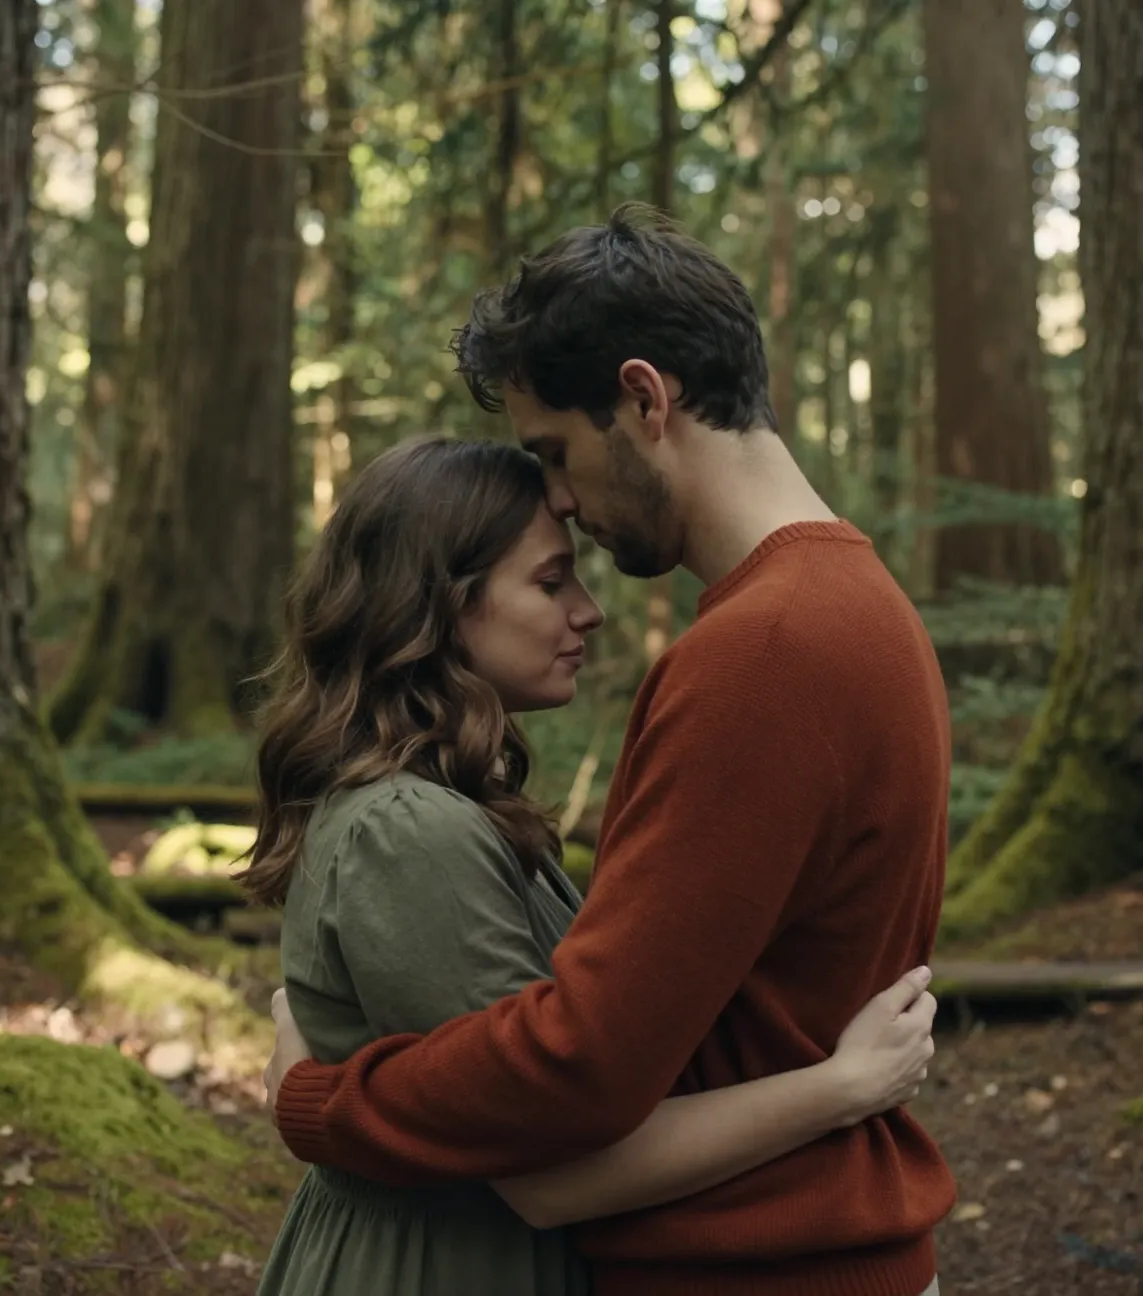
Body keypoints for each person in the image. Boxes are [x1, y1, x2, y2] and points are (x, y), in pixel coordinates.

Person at [265, 204, 957, 1296]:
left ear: (644, 399)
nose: (565, 503)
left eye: (558, 453)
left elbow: (579, 1065)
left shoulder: (762, 650)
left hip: (766, 1266)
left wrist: (318, 1097)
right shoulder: (857, 605)